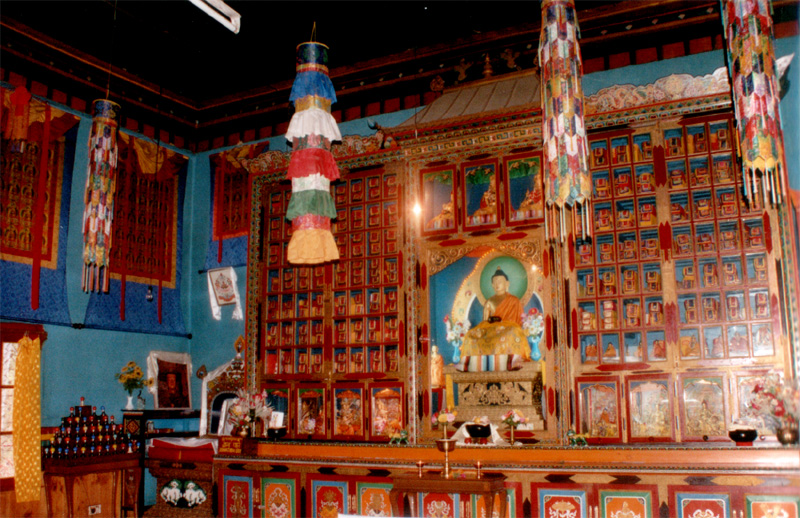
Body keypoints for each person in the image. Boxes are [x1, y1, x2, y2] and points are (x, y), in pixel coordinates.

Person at [460, 267, 530, 358]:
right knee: (470, 335)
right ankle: (474, 359)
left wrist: (504, 326)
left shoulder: (514, 301)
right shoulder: (489, 302)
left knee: (513, 331)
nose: (497, 284)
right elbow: (484, 322)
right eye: (495, 282)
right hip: (491, 331)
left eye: (500, 281)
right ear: (492, 285)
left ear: (507, 283)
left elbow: (518, 323)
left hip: (507, 330)